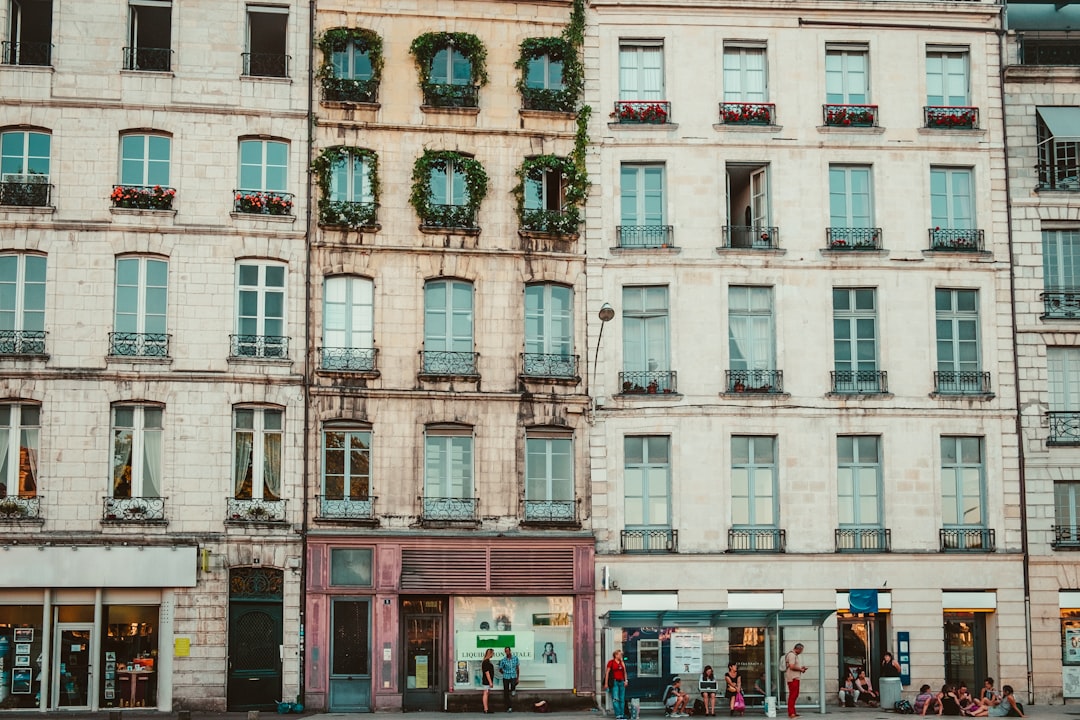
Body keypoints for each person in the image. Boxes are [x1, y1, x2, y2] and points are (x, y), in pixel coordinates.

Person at [783, 643, 807, 719]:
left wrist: (800, 668)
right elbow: (792, 666)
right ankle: (791, 713)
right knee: (793, 695)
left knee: (794, 695)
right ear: (798, 649)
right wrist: (801, 669)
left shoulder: (794, 655)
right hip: (792, 678)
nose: (801, 651)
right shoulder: (792, 655)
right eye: (801, 650)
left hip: (795, 677)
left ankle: (793, 712)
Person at [604, 650, 629, 720]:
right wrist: (606, 683)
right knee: (615, 699)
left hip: (621, 681)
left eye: (621, 655)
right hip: (614, 681)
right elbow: (607, 673)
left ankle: (622, 714)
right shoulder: (611, 662)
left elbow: (625, 672)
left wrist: (626, 680)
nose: (621, 656)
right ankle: (618, 714)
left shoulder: (622, 663)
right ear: (616, 655)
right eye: (620, 655)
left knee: (622, 699)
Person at [498, 647, 519, 713]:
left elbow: (517, 668)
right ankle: (509, 707)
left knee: (513, 683)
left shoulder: (515, 658)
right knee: (506, 692)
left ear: (510, 651)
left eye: (508, 651)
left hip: (513, 675)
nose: (507, 652)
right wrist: (504, 672)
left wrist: (518, 677)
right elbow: (500, 669)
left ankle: (513, 689)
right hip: (506, 676)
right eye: (506, 651)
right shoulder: (503, 660)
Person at [481, 648, 495, 714]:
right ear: (490, 654)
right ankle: (486, 709)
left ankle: (486, 708)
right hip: (486, 680)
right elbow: (487, 672)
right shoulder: (486, 662)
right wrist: (490, 682)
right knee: (485, 693)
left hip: (487, 680)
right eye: (492, 653)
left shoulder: (487, 661)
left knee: (486, 693)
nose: (493, 654)